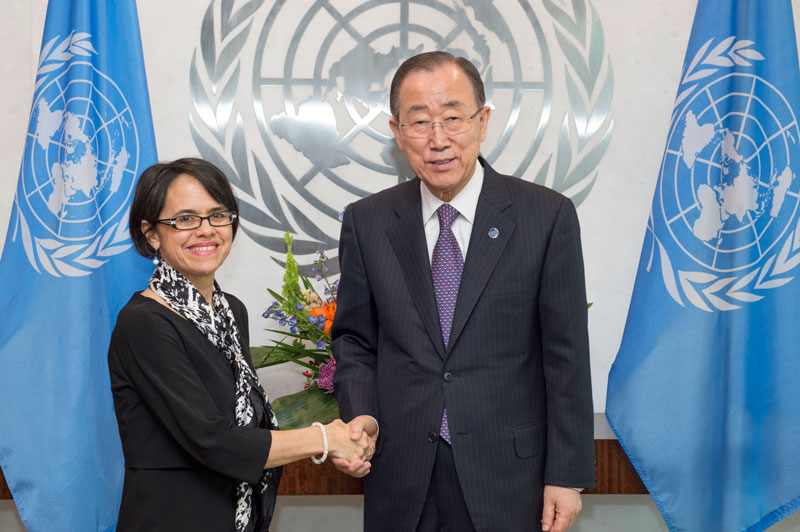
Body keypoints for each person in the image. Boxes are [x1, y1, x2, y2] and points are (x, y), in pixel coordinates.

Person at [331, 52, 595, 532]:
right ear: (396, 131)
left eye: (453, 118)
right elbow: (354, 339)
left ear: (483, 121)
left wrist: (567, 475)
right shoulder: (368, 221)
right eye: (419, 122)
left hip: (511, 475)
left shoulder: (545, 216)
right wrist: (361, 413)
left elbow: (566, 354)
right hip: (401, 470)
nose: (438, 140)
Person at [108, 158, 372, 532]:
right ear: (152, 233)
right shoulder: (144, 323)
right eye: (185, 219)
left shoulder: (231, 311)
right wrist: (326, 438)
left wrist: (339, 441)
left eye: (218, 215)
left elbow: (249, 422)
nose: (206, 230)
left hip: (239, 518)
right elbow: (214, 441)